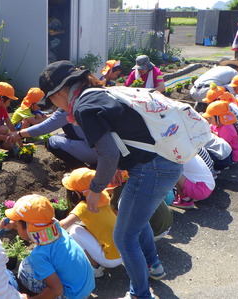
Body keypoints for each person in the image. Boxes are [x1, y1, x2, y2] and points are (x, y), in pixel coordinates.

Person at [38, 60, 183, 299]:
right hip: (163, 161)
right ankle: (153, 265)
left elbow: (108, 152)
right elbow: (122, 138)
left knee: (124, 237)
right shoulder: (99, 93)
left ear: (59, 93)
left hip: (152, 169)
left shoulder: (84, 107)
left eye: (51, 99)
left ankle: (139, 294)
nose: (54, 105)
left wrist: (96, 188)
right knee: (132, 218)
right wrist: (116, 166)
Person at [1, 194, 95, 299]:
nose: (16, 227)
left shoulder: (39, 255)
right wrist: (14, 223)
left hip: (72, 296)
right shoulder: (58, 231)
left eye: (17, 224)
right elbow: (33, 225)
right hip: (86, 287)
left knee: (25, 268)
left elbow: (57, 289)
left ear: (29, 229)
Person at [59, 168, 123, 278]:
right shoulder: (103, 195)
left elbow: (64, 225)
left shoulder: (84, 207)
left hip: (111, 260)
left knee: (74, 231)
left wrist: (48, 222)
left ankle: (95, 268)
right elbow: (109, 190)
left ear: (77, 194)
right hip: (125, 252)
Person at [8, 109, 98, 170]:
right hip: (108, 149)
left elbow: (43, 128)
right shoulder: (88, 99)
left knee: (51, 142)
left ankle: (82, 171)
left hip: (95, 152)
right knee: (63, 135)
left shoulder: (66, 108)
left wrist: (19, 134)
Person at [202, 100, 238, 171]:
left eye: (210, 118)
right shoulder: (219, 123)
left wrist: (212, 133)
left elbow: (222, 145)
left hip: (231, 155)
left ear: (219, 118)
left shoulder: (227, 128)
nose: (209, 120)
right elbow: (211, 127)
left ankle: (215, 168)